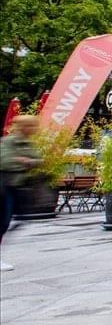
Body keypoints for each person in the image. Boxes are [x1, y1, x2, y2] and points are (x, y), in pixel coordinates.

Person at [1, 115, 42, 271]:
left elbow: (38, 160)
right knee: (3, 222)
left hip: (18, 187)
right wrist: (25, 162)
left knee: (18, 219)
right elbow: (5, 162)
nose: (34, 129)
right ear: (23, 127)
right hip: (5, 187)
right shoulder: (8, 142)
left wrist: (24, 160)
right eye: (31, 126)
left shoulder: (28, 144)